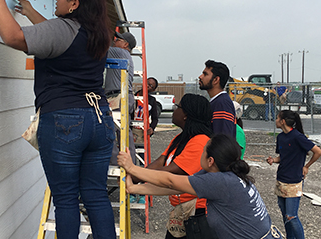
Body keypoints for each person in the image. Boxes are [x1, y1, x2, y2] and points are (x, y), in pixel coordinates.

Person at [0, 0, 116, 238]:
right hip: (100, 120)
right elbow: (56, 37)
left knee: (66, 200)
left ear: (74, 4)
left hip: (66, 121)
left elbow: (13, 37)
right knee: (96, 196)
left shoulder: (63, 29)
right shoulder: (96, 34)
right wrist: (31, 12)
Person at [118, 134, 283, 239]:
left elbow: (170, 180)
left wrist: (133, 168)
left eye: (203, 151)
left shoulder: (221, 181)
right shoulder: (220, 174)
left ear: (210, 160)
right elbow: (177, 186)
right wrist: (135, 189)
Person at [131, 93, 213, 238]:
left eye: (178, 107)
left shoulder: (200, 142)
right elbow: (160, 163)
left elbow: (169, 174)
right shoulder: (181, 138)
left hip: (197, 214)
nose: (174, 111)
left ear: (186, 115)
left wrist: (133, 173)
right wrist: (135, 177)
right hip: (182, 211)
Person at [266, 110, 321, 239]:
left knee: (292, 216)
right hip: (281, 179)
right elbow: (283, 156)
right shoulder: (280, 137)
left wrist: (306, 167)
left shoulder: (298, 137)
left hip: (294, 181)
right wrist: (273, 160)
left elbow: (317, 151)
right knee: (285, 214)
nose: (276, 120)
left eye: (277, 118)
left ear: (283, 121)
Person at [105, 31, 137, 165]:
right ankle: (130, 166)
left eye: (117, 39)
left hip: (119, 96)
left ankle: (117, 166)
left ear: (125, 44)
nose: (114, 41)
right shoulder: (123, 55)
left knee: (111, 130)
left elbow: (98, 47)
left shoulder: (121, 53)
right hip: (120, 95)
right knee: (121, 132)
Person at [198, 60, 236, 137]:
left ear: (216, 80)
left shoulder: (222, 104)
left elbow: (223, 140)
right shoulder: (217, 101)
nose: (200, 76)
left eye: (205, 74)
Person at [132, 77, 159, 143]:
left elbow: (155, 118)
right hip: (131, 130)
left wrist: (152, 128)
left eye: (150, 86)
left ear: (153, 90)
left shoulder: (152, 100)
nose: (147, 85)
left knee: (141, 152)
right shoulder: (133, 97)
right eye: (147, 83)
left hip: (142, 132)